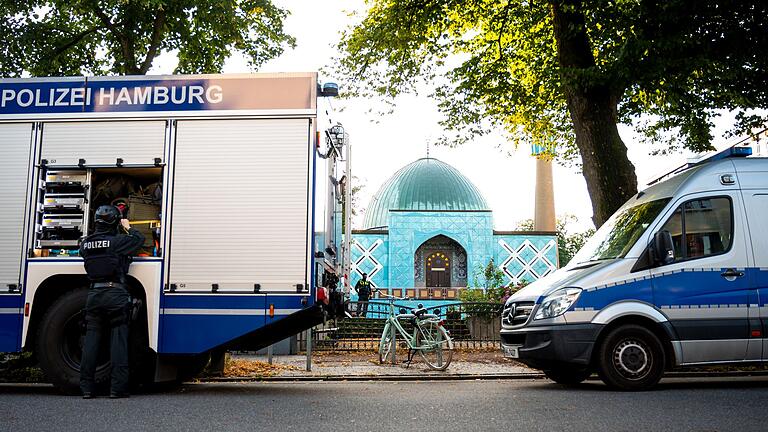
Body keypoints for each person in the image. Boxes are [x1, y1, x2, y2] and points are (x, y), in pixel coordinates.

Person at [79, 205, 144, 399]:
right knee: (119, 342)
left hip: (94, 295)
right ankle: (117, 389)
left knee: (90, 343)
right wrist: (128, 227)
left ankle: (86, 389)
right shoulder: (117, 242)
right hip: (115, 294)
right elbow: (139, 240)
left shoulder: (86, 244)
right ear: (115, 222)